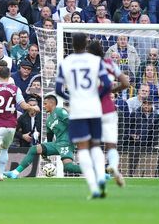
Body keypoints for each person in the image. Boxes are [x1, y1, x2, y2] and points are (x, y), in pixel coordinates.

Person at [56, 32, 111, 198]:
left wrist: (71, 98)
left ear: (72, 44)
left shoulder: (66, 63)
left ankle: (94, 187)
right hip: (94, 108)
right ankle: (101, 176)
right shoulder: (96, 61)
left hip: (77, 109)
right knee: (95, 145)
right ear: (86, 44)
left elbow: (59, 90)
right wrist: (97, 97)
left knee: (82, 149)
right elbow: (107, 84)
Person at [5, 94, 82, 179]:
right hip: (57, 144)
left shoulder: (60, 111)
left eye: (45, 104)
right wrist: (44, 151)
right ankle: (15, 173)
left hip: (67, 143)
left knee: (68, 168)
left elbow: (70, 122)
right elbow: (49, 137)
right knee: (34, 149)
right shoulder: (48, 120)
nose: (44, 106)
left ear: (52, 103)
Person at [0, 66, 39, 181]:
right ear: (9, 76)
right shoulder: (15, 89)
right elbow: (24, 106)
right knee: (5, 149)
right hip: (11, 125)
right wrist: (33, 107)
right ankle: (0, 174)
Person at [87, 40, 129, 187]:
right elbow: (125, 83)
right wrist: (111, 90)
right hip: (109, 109)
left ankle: (99, 173)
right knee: (111, 145)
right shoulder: (110, 64)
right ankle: (114, 167)